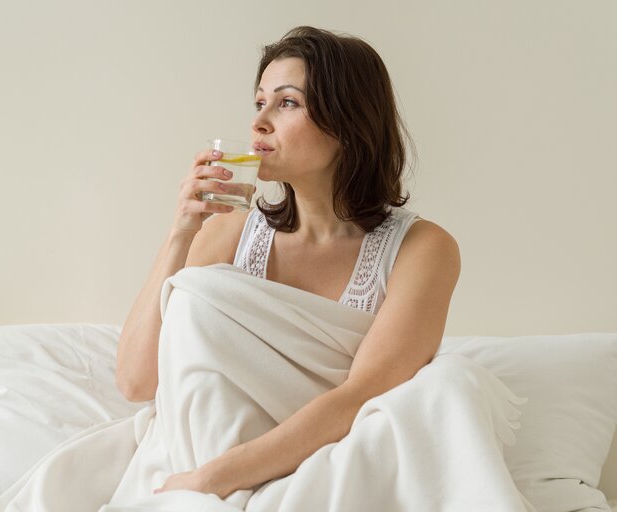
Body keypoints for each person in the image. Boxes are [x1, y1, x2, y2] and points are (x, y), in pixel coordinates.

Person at [115, 26, 461, 499]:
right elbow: (137, 383)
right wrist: (180, 233)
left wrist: (213, 481)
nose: (260, 122)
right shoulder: (231, 229)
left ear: (348, 121)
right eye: (260, 103)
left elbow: (361, 398)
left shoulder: (423, 249)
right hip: (196, 457)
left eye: (287, 102)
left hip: (313, 467)